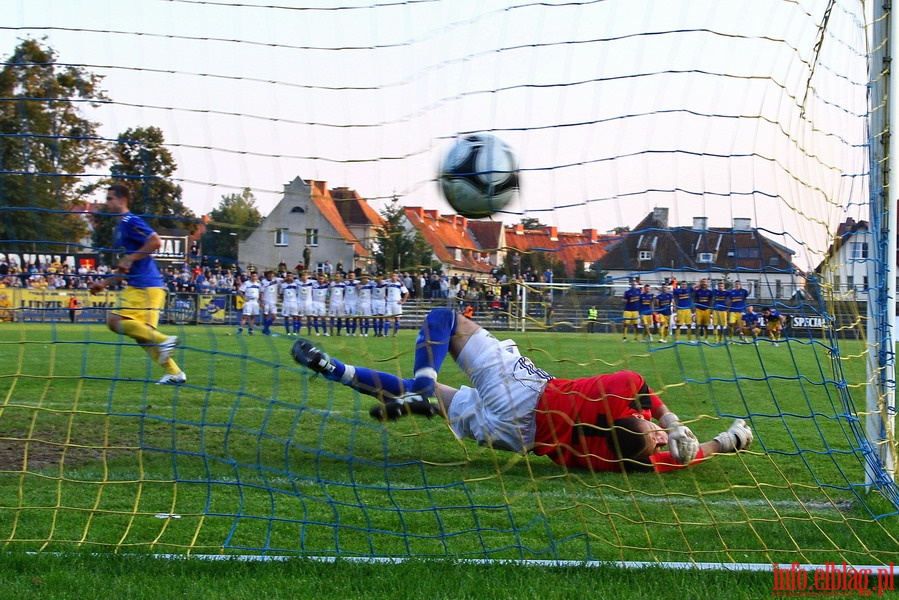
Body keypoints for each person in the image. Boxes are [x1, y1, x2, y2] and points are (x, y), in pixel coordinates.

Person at [292, 308, 753, 473]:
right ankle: (338, 370)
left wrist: (672, 421)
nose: (653, 429)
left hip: (523, 393)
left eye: (649, 428)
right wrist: (727, 441)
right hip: (515, 439)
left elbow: (636, 384)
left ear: (626, 417)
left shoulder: (610, 398)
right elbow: (680, 458)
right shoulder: (621, 460)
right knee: (439, 404)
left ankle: (419, 384)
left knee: (445, 320)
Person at [89, 183, 185, 385]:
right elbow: (125, 268)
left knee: (114, 321)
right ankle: (175, 373)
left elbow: (155, 241)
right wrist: (105, 283)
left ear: (122, 200)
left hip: (145, 286)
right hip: (143, 285)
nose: (107, 203)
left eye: (110, 198)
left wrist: (130, 258)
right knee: (143, 338)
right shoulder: (120, 227)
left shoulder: (130, 220)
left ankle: (164, 340)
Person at [384, 271, 410, 336]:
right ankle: (386, 334)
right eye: (392, 276)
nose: (393, 277)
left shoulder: (400, 284)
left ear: (397, 277)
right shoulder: (388, 283)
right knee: (387, 318)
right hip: (389, 302)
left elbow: (406, 293)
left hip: (396, 303)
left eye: (395, 276)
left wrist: (403, 301)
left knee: (397, 318)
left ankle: (395, 333)